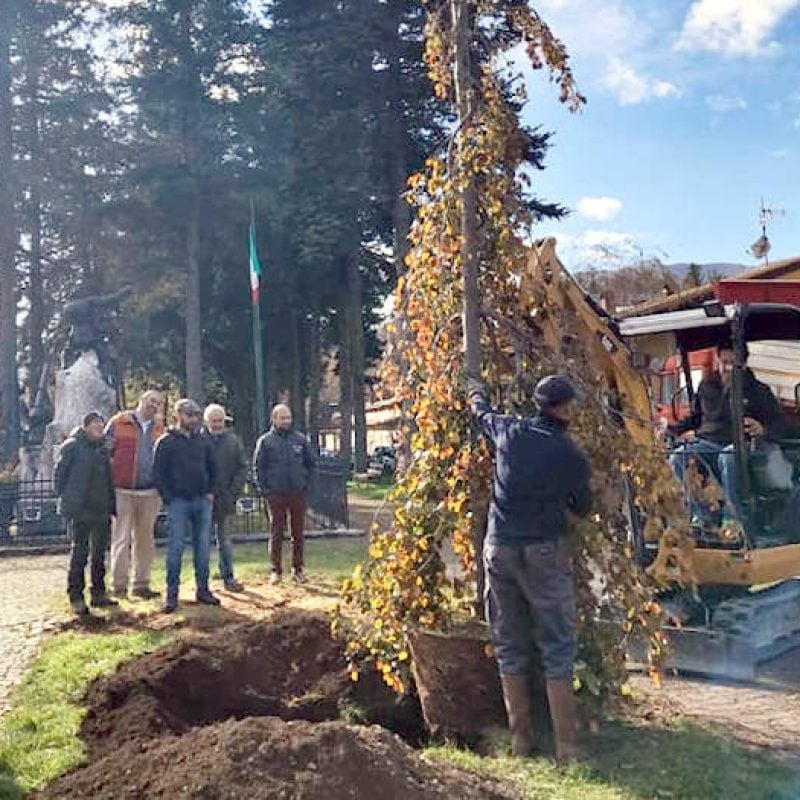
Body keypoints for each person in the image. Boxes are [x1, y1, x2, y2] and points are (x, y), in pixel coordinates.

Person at [469, 375, 592, 763]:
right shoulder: (569, 453)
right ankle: (567, 750)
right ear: (565, 408)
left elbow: (482, 414)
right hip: (543, 550)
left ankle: (521, 742)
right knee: (556, 645)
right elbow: (582, 508)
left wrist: (475, 391)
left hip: (500, 547)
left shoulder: (509, 431)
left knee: (509, 642)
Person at [669, 345, 785, 523]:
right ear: (717, 360)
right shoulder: (707, 386)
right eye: (723, 362)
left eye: (733, 363)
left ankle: (734, 521)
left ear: (744, 364)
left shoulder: (758, 391)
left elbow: (778, 423)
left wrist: (762, 429)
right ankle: (705, 517)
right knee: (679, 457)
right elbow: (695, 417)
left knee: (728, 456)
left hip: (742, 445)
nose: (727, 368)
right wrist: (671, 430)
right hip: (707, 443)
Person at [153, 398, 219, 613]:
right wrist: (168, 498)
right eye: (189, 415)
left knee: (202, 548)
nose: (193, 419)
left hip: (202, 500)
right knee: (176, 549)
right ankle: (172, 595)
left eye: (196, 415)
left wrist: (211, 491)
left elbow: (213, 467)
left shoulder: (203, 441)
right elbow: (158, 474)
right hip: (178, 503)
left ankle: (203, 590)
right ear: (178, 415)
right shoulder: (165, 442)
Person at [55, 411, 117, 616]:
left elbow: (108, 478)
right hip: (80, 509)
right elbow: (59, 476)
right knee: (80, 554)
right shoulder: (72, 446)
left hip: (100, 508)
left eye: (102, 426)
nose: (100, 430)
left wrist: (110, 504)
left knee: (99, 554)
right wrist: (69, 500)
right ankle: (76, 596)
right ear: (86, 426)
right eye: (97, 426)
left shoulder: (102, 449)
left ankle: (98, 593)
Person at [105, 389, 165, 599]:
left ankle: (141, 584)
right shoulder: (119, 422)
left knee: (145, 539)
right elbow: (106, 453)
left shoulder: (160, 429)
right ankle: (118, 585)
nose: (153, 405)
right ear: (141, 400)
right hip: (122, 489)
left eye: (158, 403)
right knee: (121, 538)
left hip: (149, 491)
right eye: (151, 400)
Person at [253, 403, 315, 584]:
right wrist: (265, 490)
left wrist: (306, 485)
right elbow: (258, 468)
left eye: (288, 417)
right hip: (276, 494)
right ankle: (276, 570)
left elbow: (311, 464)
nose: (286, 421)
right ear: (274, 419)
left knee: (298, 533)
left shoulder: (301, 440)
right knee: (276, 532)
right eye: (282, 418)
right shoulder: (265, 441)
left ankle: (298, 569)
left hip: (297, 492)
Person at [203, 403, 248, 592]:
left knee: (225, 541)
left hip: (226, 499)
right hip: (204, 500)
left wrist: (233, 491)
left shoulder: (233, 441)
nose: (217, 424)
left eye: (220, 420)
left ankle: (228, 576)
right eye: (213, 421)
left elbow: (242, 468)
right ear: (206, 422)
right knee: (203, 542)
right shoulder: (199, 441)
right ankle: (202, 581)